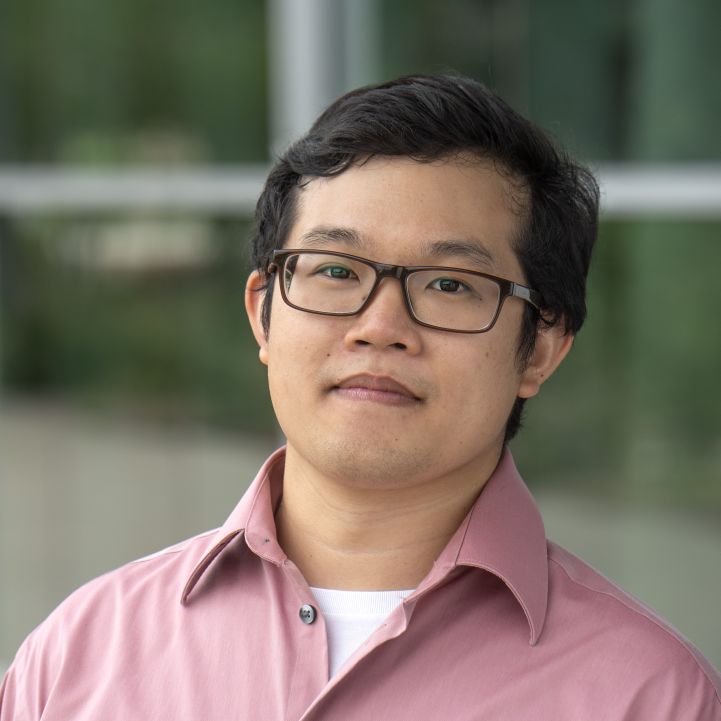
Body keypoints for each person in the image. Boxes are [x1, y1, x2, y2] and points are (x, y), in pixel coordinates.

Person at [1, 73, 719, 721]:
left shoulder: (648, 695)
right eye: (335, 271)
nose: (381, 327)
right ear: (263, 313)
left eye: (448, 284)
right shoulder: (76, 657)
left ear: (538, 348)